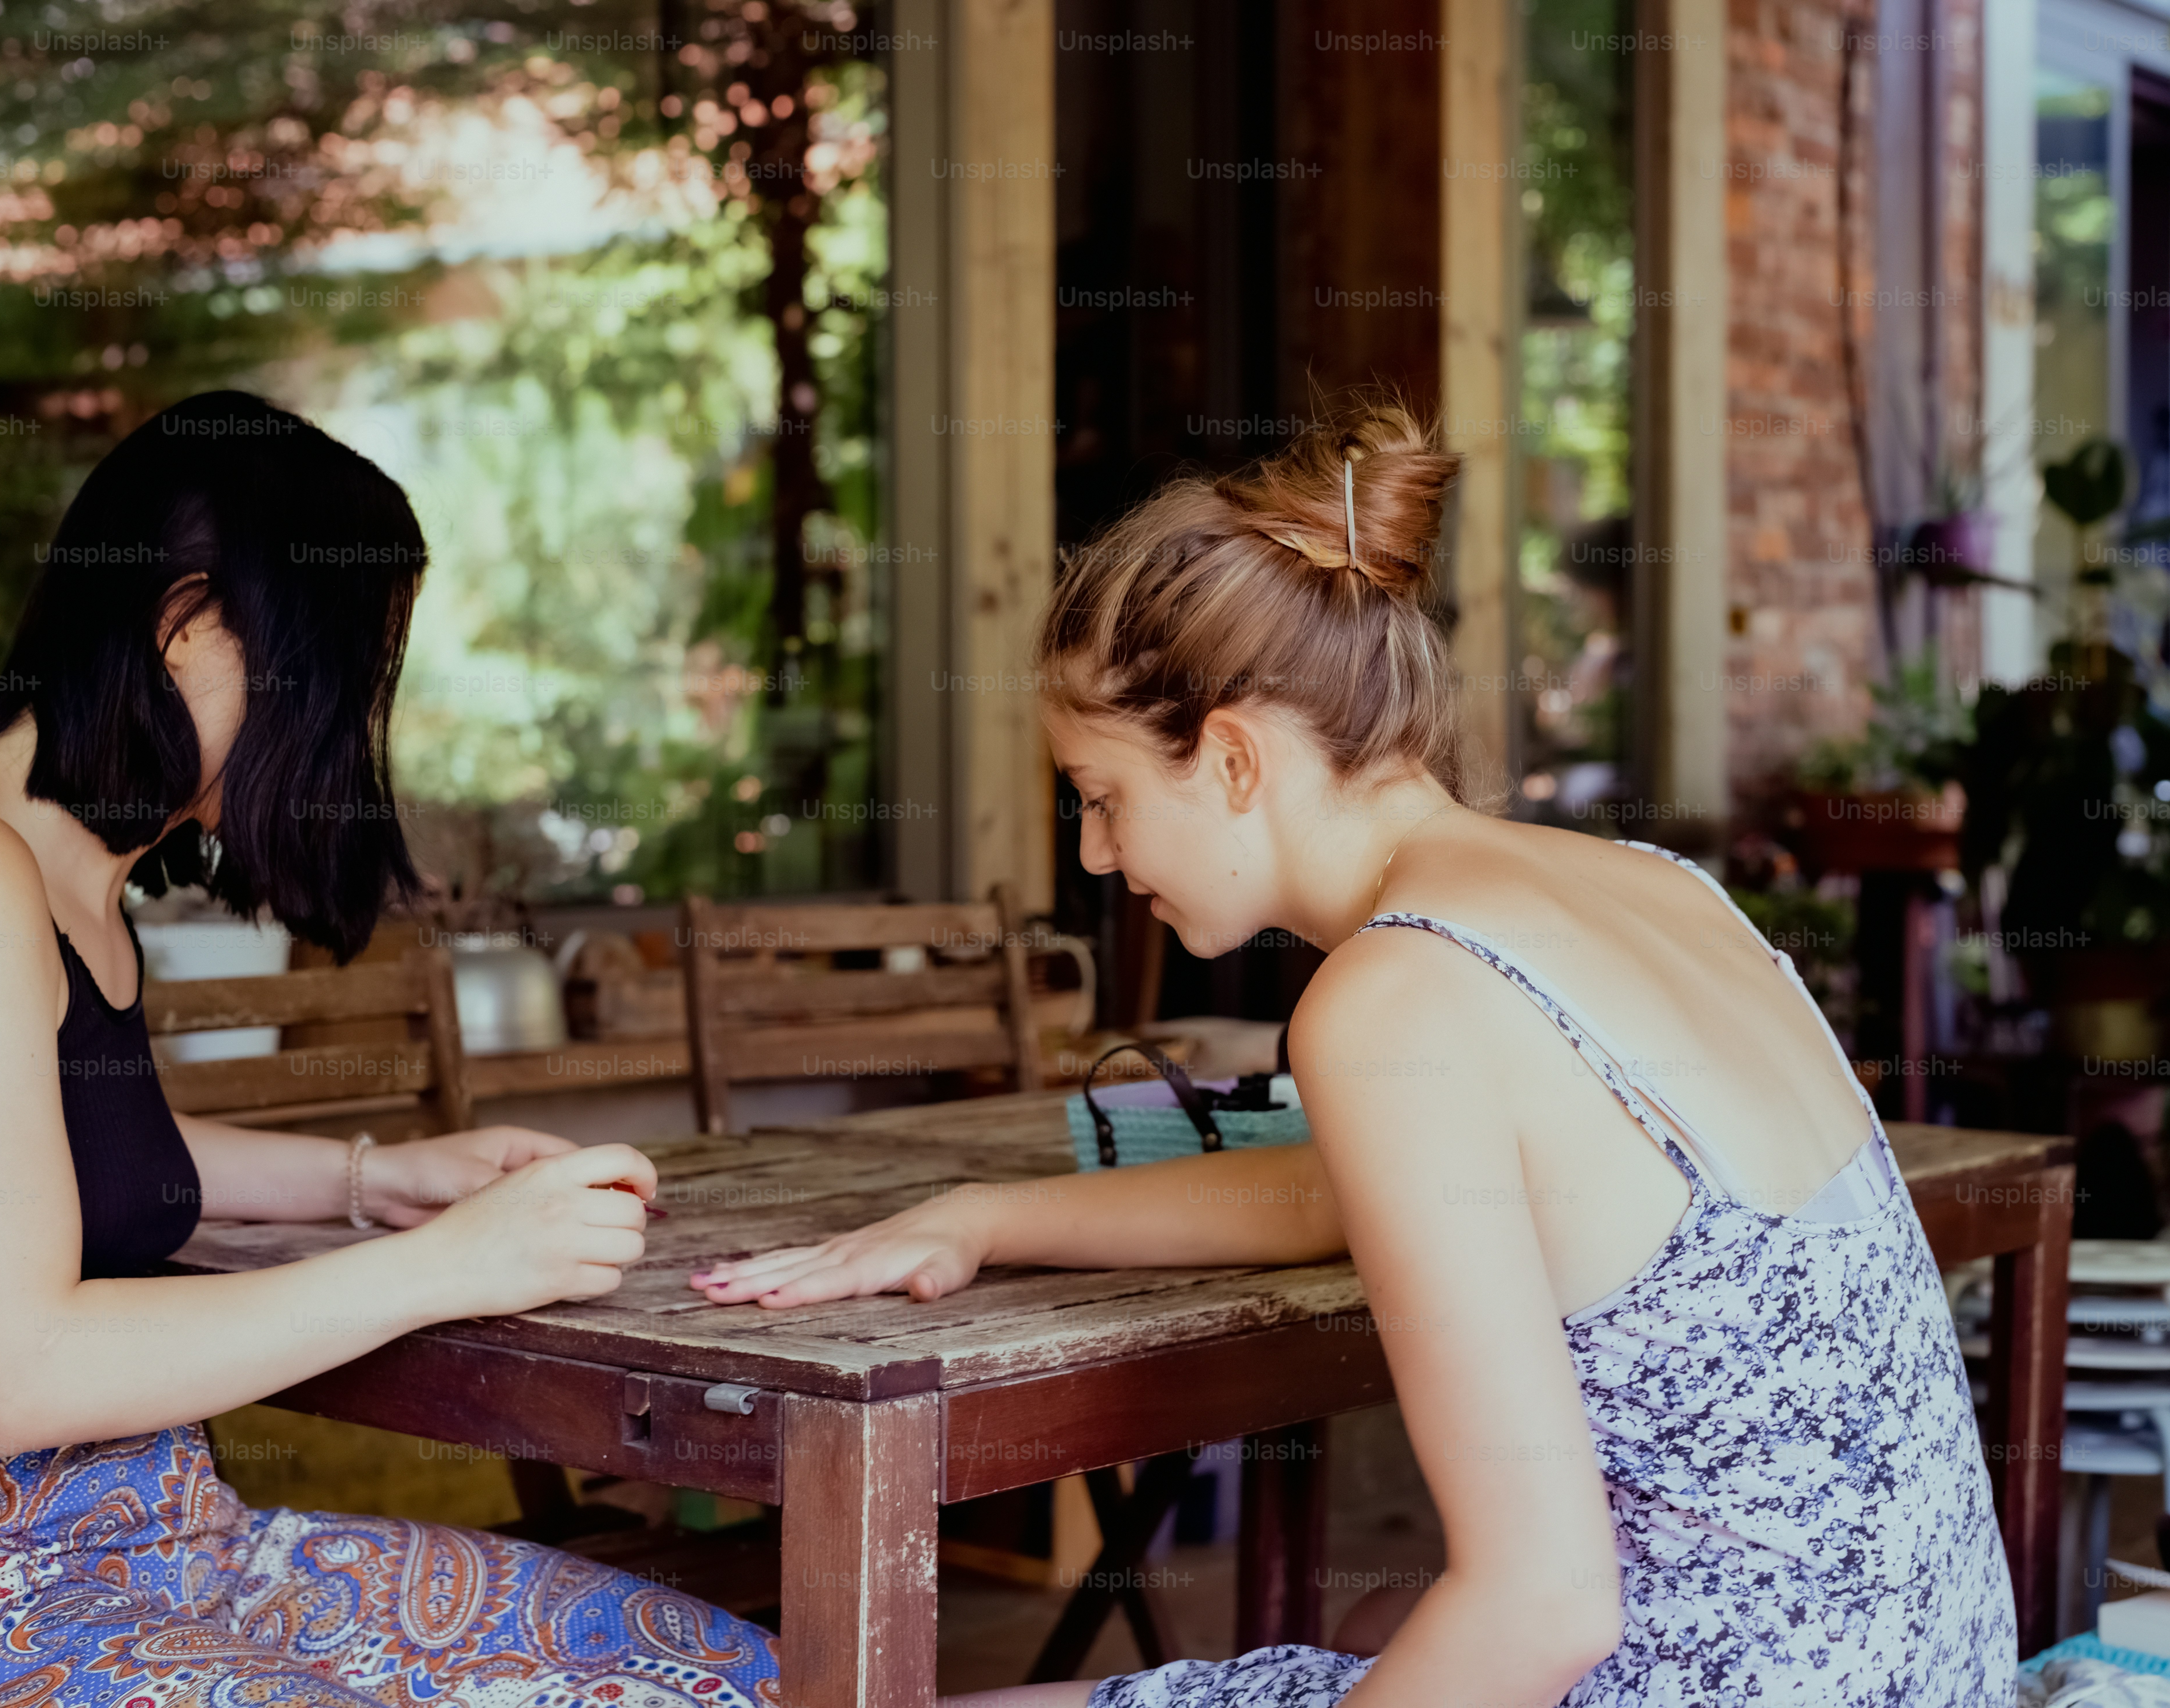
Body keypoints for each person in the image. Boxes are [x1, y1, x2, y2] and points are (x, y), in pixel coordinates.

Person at [691, 404, 2018, 1706]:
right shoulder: (1657, 884)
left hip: (1731, 1675)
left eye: (1102, 799)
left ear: (1230, 759)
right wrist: (982, 1215)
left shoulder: (1392, 996)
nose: (1096, 855)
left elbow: (1542, 1608)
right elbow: (1349, 1192)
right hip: (1927, 1666)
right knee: (1385, 1622)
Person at [0, 392, 781, 1706]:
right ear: (186, 627)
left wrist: (380, 1176)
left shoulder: (73, 882)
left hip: (171, 1548)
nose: (346, 736)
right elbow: (11, 1372)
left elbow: (48, 1160)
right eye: (330, 678)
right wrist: (444, 1264)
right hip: (12, 1594)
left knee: (705, 1674)